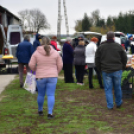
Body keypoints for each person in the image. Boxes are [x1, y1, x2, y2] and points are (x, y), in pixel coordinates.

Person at [29, 36, 63, 118]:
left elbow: (31, 65)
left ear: (41, 42)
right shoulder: (55, 52)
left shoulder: (36, 53)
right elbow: (60, 65)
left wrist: (35, 70)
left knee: (40, 94)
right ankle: (50, 113)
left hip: (40, 76)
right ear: (50, 42)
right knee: (51, 95)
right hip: (52, 76)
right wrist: (56, 72)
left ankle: (40, 110)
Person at [95, 31, 127, 110]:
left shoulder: (101, 47)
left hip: (106, 70)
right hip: (117, 70)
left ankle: (110, 105)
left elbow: (97, 59)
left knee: (108, 89)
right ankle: (118, 102)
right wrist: (122, 67)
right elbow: (124, 57)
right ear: (113, 38)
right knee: (117, 87)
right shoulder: (118, 46)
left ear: (106, 37)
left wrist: (100, 69)